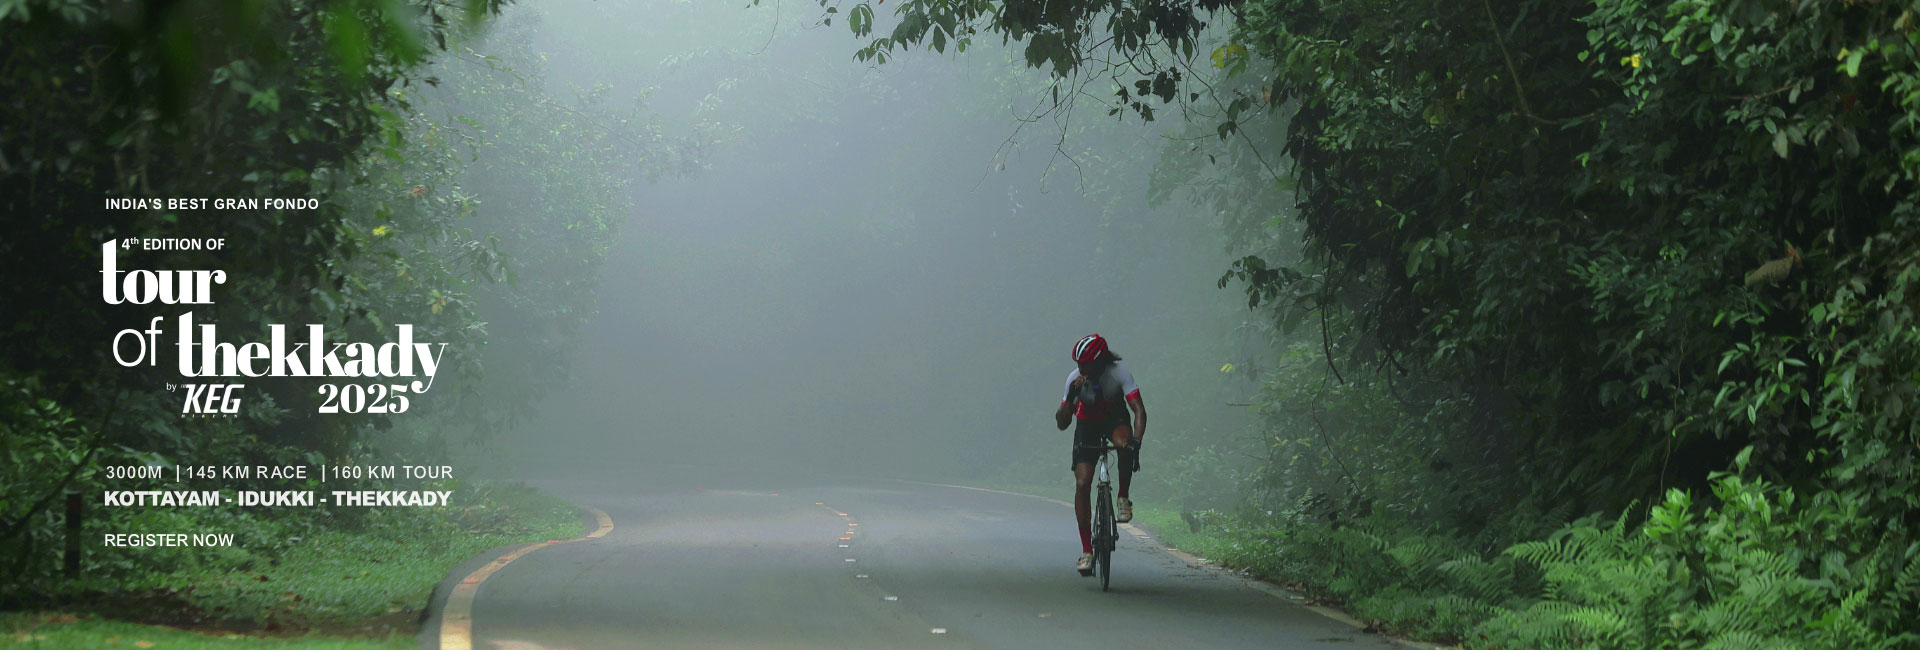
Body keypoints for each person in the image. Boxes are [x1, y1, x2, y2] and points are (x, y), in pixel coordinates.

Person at [1052, 333, 1146, 575]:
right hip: (1087, 424)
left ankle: (1123, 496)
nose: (1080, 368)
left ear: (1100, 361)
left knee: (1124, 445)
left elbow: (1138, 410)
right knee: (1082, 482)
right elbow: (1062, 423)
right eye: (1078, 364)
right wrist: (1071, 399)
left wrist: (1137, 440)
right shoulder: (1074, 379)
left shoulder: (1119, 373)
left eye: (1086, 364)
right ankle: (1087, 551)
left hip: (1115, 419)